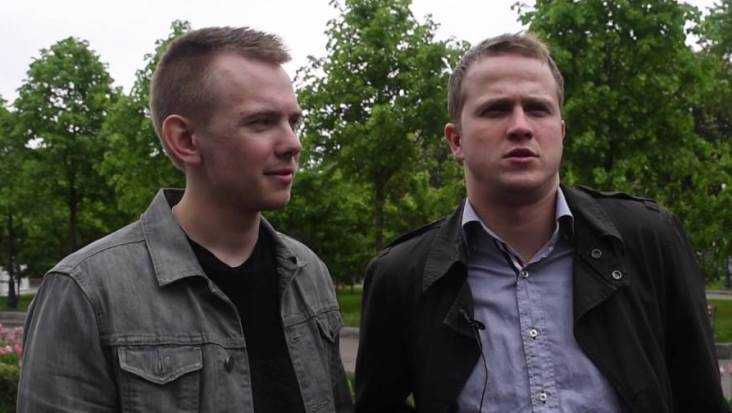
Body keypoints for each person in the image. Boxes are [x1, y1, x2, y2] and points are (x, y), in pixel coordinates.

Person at [355, 33, 726, 412]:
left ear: (561, 132)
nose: (520, 126)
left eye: (537, 109)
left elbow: (700, 397)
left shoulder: (649, 240)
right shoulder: (402, 277)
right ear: (456, 141)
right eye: (496, 109)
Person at [19, 27, 352, 412]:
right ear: (185, 140)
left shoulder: (308, 273)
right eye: (261, 122)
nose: (292, 143)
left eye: (294, 122)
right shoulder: (85, 292)